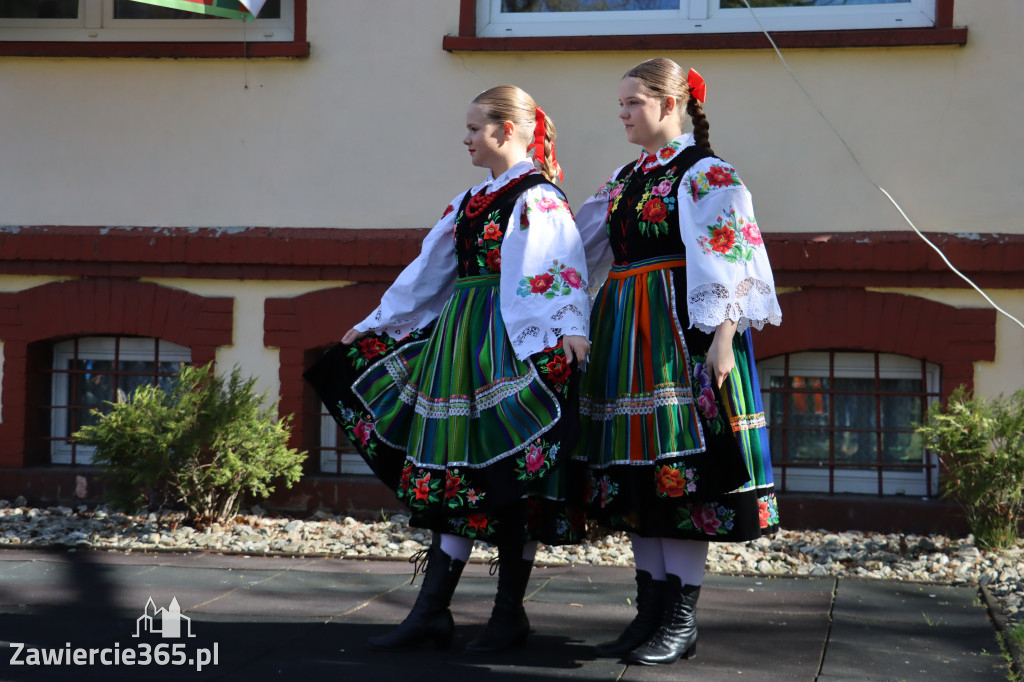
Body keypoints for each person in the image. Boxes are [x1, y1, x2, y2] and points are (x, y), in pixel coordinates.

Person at [305, 85, 591, 653]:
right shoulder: (471, 201)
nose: (464, 138)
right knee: (452, 467)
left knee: (511, 474)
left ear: (506, 130)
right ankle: (432, 610)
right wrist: (377, 322)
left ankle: (508, 613)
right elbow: (429, 270)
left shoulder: (539, 199)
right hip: (462, 339)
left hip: (510, 339)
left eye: (473, 128)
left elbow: (559, 268)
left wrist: (568, 329)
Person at [574, 58, 783, 666]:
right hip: (625, 331)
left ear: (671, 105)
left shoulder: (707, 173)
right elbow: (581, 248)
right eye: (621, 103)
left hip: (678, 333)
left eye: (633, 102)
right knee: (640, 475)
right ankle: (650, 612)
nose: (623, 113)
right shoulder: (624, 178)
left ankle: (681, 618)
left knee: (681, 471)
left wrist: (724, 336)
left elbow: (736, 257)